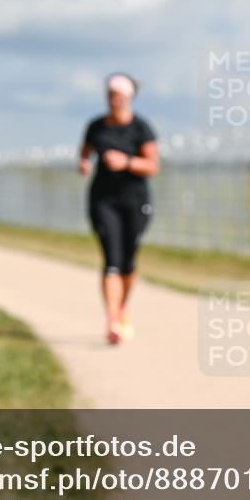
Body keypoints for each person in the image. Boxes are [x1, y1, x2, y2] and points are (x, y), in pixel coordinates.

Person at [78, 73, 160, 344]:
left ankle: (123, 307)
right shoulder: (96, 127)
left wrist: (127, 162)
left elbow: (153, 166)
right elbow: (85, 152)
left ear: (129, 98)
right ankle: (112, 319)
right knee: (111, 260)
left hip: (135, 200)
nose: (114, 100)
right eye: (111, 95)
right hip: (103, 200)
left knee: (128, 261)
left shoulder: (141, 128)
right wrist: (84, 163)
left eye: (119, 96)